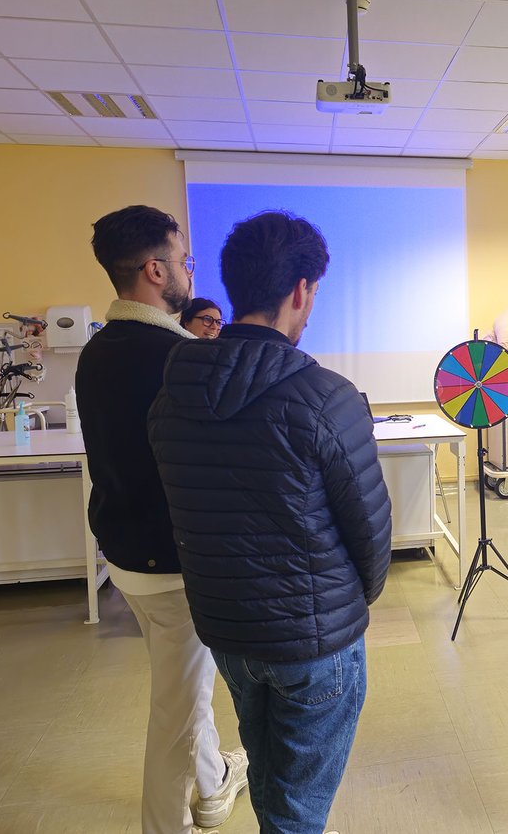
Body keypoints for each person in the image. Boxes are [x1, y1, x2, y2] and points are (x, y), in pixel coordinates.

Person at [147, 210, 392, 834]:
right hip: (315, 641)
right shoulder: (326, 396)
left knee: (271, 781)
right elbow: (369, 531)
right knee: (297, 810)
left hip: (228, 630)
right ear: (302, 290)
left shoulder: (173, 394)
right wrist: (348, 606)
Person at [76, 205, 247, 834]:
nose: (188, 271)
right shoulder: (179, 358)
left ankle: (213, 785)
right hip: (173, 563)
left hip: (126, 557)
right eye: (184, 261)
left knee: (186, 688)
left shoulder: (97, 351)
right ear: (155, 269)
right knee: (176, 711)